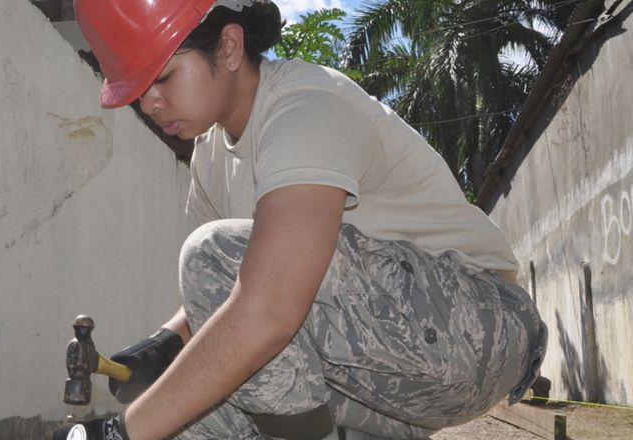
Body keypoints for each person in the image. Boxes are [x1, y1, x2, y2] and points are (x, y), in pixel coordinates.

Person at [53, 1, 548, 439]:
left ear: (228, 48)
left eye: (160, 77)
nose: (149, 102)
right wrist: (161, 348)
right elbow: (226, 300)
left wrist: (120, 433)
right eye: (138, 88)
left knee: (211, 259)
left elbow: (264, 306)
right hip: (390, 372)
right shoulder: (208, 159)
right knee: (188, 416)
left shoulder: (305, 107)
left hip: (480, 333)